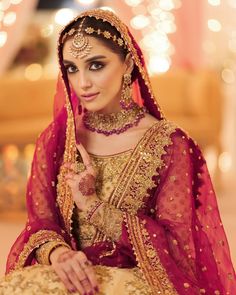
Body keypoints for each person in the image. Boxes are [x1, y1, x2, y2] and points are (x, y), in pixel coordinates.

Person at [0, 8, 235, 295]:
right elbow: (40, 221)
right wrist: (59, 254)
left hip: (141, 280)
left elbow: (176, 246)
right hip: (69, 275)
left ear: (127, 63)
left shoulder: (170, 144)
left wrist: (94, 207)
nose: (83, 82)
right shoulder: (57, 139)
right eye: (72, 68)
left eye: (96, 65)